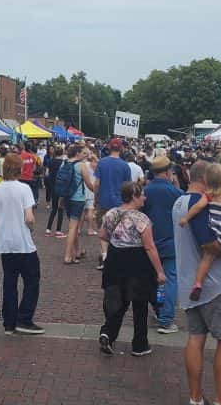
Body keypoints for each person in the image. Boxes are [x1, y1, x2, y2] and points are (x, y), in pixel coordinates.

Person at [173, 161, 221, 405]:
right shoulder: (198, 202)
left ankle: (195, 399)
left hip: (189, 282)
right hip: (213, 285)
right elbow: (210, 244)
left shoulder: (180, 202)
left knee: (195, 337)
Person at [98, 181, 166, 357]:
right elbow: (150, 247)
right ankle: (140, 344)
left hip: (115, 259)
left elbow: (103, 235)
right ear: (134, 196)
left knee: (116, 300)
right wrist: (159, 271)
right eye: (142, 194)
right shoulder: (142, 219)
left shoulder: (111, 213)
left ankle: (108, 332)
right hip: (137, 261)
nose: (144, 197)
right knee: (140, 303)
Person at [0, 152, 43, 335]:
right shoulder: (24, 189)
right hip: (23, 242)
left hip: (5, 243)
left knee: (9, 282)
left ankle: (9, 322)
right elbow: (29, 217)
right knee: (32, 280)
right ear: (19, 169)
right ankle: (24, 318)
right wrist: (31, 226)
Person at [180, 162, 221, 301]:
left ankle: (198, 283)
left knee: (207, 257)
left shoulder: (208, 195)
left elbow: (198, 207)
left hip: (218, 234)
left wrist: (186, 218)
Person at [144, 154, 184, 334]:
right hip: (170, 242)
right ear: (169, 172)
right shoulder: (176, 193)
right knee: (169, 280)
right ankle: (166, 318)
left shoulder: (144, 190)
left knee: (153, 280)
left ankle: (159, 311)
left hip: (149, 242)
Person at [94, 138, 133, 270]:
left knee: (103, 230)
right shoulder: (125, 166)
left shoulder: (102, 163)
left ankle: (104, 256)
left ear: (109, 148)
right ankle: (116, 257)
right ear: (121, 149)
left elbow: (97, 184)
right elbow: (128, 186)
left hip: (103, 201)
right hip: (119, 203)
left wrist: (96, 197)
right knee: (118, 231)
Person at [62, 143, 95, 264]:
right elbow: (89, 184)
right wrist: (97, 192)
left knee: (73, 227)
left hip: (67, 198)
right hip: (78, 198)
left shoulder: (65, 163)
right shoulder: (81, 165)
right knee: (72, 228)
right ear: (77, 154)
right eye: (83, 153)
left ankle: (78, 251)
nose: (85, 155)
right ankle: (67, 256)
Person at [44, 145, 66, 238]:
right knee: (60, 209)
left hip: (53, 187)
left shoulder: (51, 162)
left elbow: (47, 174)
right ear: (63, 152)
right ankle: (58, 230)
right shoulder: (64, 163)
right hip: (61, 188)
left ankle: (48, 229)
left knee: (54, 209)